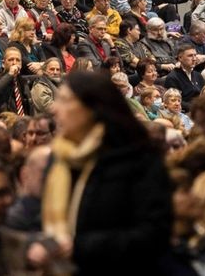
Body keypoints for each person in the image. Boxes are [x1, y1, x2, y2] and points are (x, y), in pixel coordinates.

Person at [43, 70, 175, 273]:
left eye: (65, 100)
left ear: (92, 109)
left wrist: (81, 246)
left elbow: (154, 234)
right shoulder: (60, 157)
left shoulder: (138, 159)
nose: (54, 108)